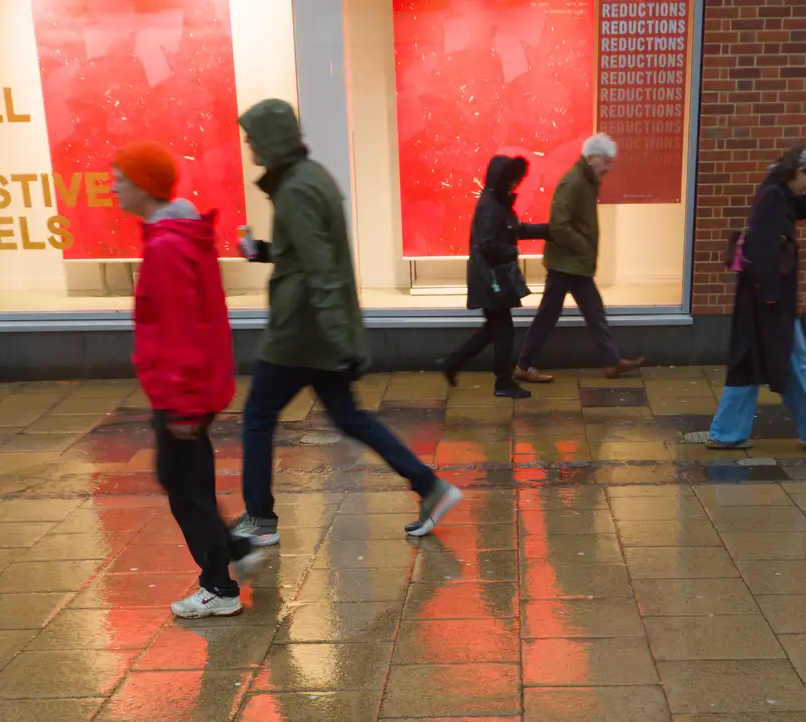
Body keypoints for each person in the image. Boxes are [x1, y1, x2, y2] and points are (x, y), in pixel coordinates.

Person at [229, 100, 462, 542]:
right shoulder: (310, 177)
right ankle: (430, 486)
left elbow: (321, 269)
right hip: (317, 331)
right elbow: (308, 253)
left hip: (300, 334)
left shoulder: (296, 190)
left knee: (258, 416)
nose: (248, 144)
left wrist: (340, 340)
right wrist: (265, 251)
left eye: (252, 137)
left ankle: (259, 519)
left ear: (271, 140)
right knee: (350, 418)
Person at [111, 141, 246, 618]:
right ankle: (235, 550)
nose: (113, 187)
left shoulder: (167, 245)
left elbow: (181, 329)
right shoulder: (175, 236)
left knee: (184, 487)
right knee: (187, 481)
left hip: (181, 391)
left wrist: (183, 406)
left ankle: (220, 587)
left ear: (144, 186)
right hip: (185, 387)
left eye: (120, 179)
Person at [697, 145, 806, 452]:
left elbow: (804, 208)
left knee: (748, 363)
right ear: (799, 171)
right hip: (771, 301)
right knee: (794, 363)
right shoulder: (774, 197)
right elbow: (761, 246)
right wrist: (770, 296)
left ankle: (728, 433)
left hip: (760, 298)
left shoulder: (778, 192)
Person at [513, 134, 646, 383]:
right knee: (551, 314)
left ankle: (612, 361)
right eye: (606, 160)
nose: (608, 167)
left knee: (593, 312)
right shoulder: (573, 182)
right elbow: (559, 225)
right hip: (566, 263)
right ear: (592, 157)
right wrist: (582, 246)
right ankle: (523, 364)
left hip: (574, 263)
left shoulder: (586, 181)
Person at [441, 155, 551, 399]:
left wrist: (546, 231)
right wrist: (511, 251)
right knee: (503, 331)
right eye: (512, 180)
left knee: (493, 330)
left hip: (491, 279)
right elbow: (486, 244)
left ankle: (453, 362)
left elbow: (515, 229)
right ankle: (502, 382)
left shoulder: (496, 203)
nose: (515, 185)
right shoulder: (491, 207)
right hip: (491, 280)